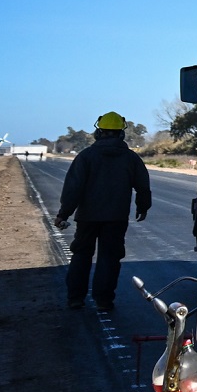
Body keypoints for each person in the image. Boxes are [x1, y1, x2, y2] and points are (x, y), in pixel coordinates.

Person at [55, 111, 152, 312]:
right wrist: (143, 207)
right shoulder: (131, 159)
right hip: (116, 218)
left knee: (81, 256)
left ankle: (75, 298)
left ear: (98, 133)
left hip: (87, 217)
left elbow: (73, 189)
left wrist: (63, 214)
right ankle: (104, 301)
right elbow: (143, 186)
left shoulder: (85, 157)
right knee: (109, 258)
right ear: (121, 134)